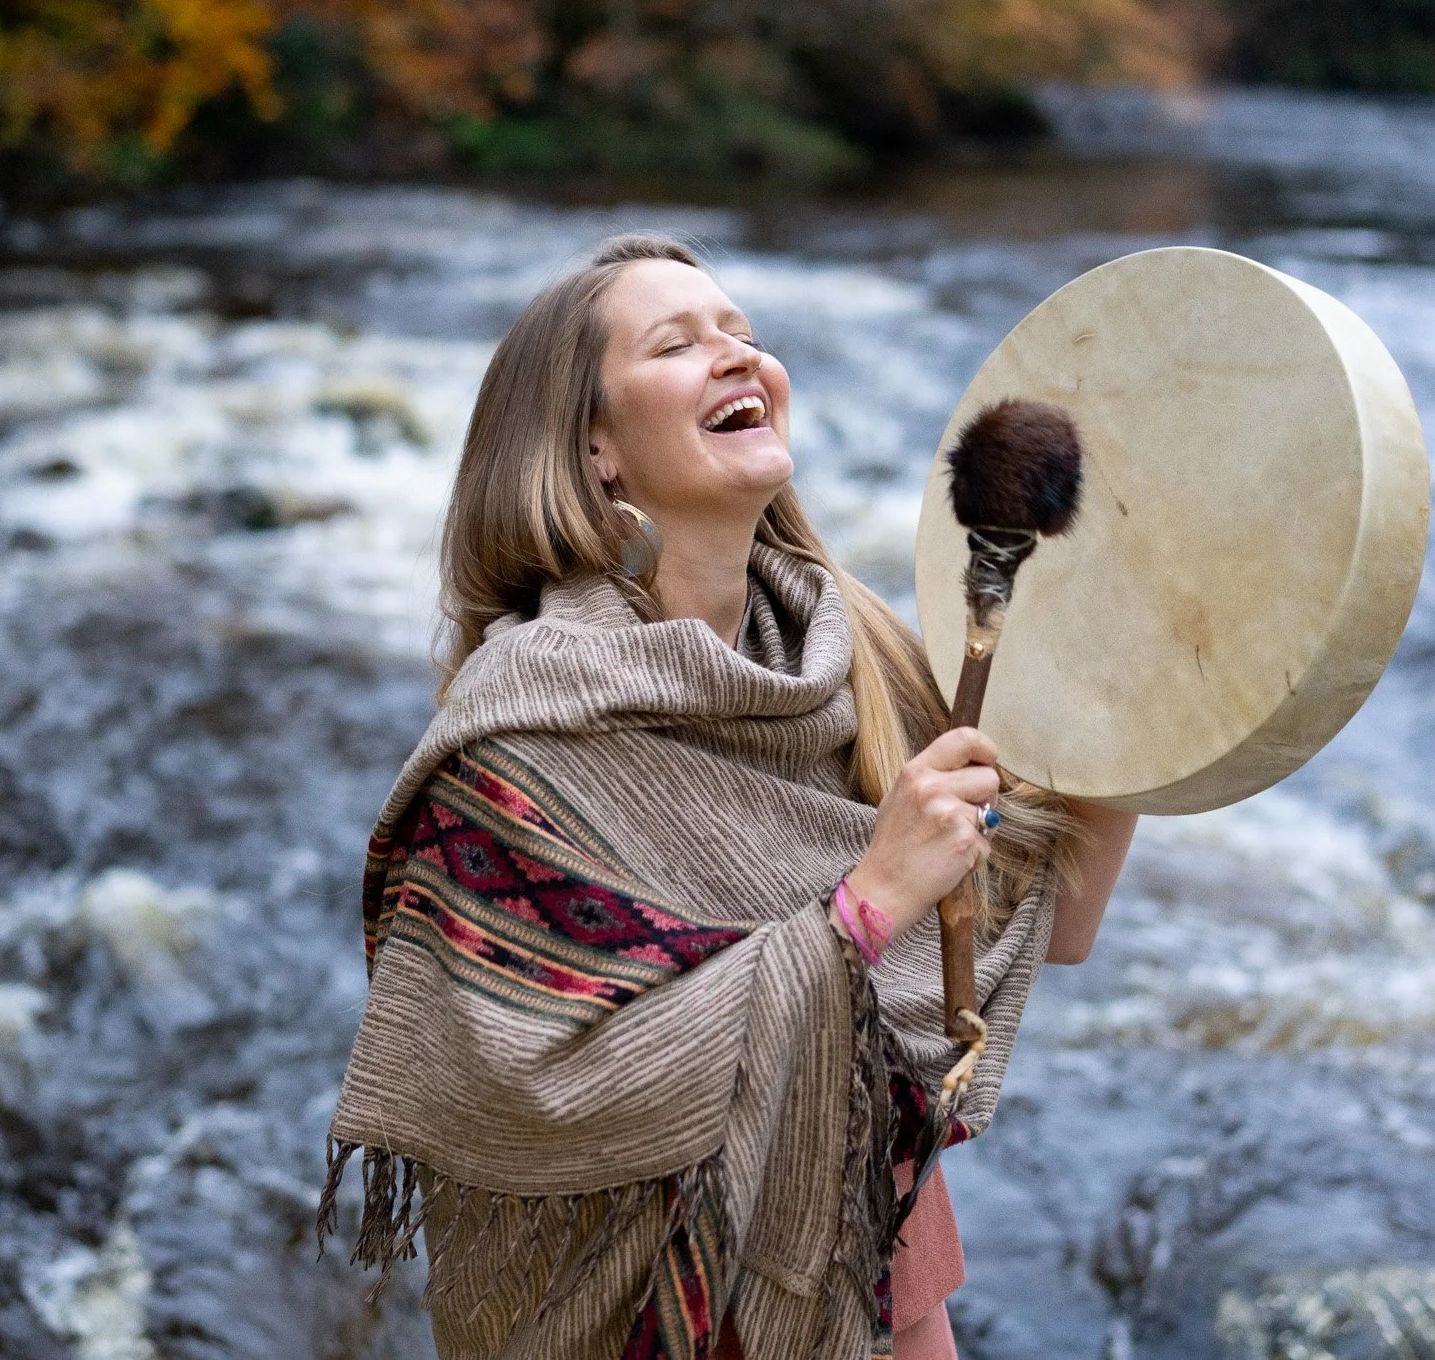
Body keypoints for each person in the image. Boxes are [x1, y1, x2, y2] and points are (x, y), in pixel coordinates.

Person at [318, 234, 1136, 1359]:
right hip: (641, 1306)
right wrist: (867, 904)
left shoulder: (851, 654)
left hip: (871, 1258)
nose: (737, 355)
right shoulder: (522, 735)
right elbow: (539, 1100)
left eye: (744, 333)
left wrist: (1141, 688)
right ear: (595, 449)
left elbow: (1057, 920)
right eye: (677, 344)